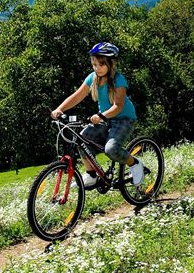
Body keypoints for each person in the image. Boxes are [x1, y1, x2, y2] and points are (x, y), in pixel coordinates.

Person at [50, 42, 145, 187]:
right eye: (94, 64)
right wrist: (59, 109)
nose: (97, 68)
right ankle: (91, 175)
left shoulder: (119, 80)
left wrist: (101, 116)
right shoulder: (93, 78)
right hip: (104, 119)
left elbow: (118, 106)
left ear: (111, 64)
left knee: (111, 150)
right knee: (81, 139)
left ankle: (135, 163)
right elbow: (77, 96)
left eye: (101, 64)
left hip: (123, 119)